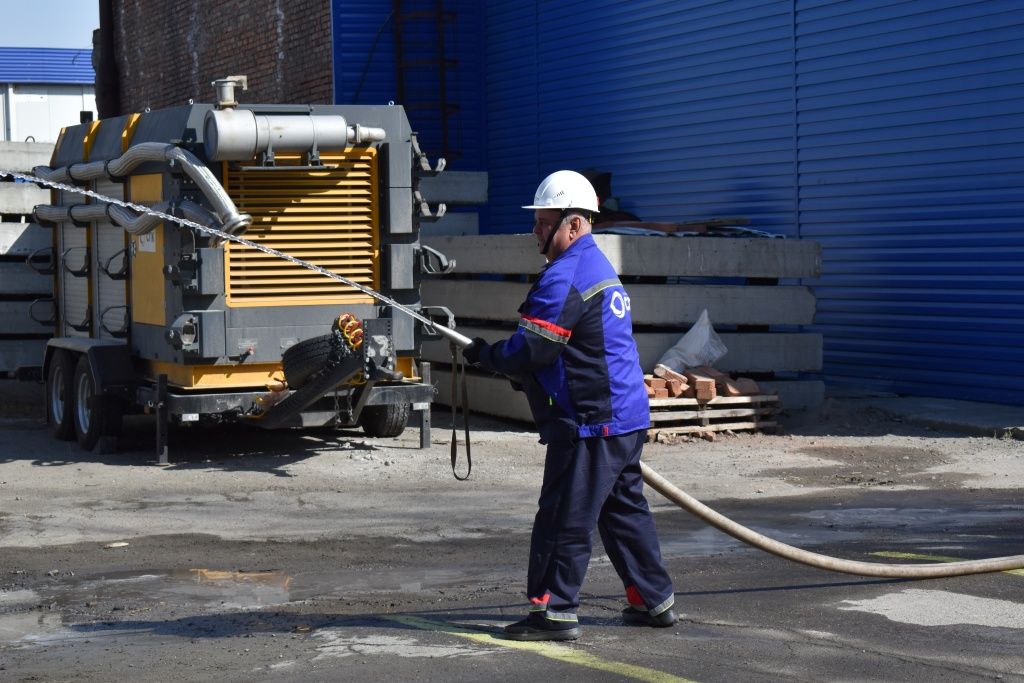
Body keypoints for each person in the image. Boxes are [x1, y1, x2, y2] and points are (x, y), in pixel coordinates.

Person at [462, 170, 677, 641]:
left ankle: (553, 612)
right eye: (537, 222)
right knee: (622, 513)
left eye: (544, 223)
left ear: (574, 224)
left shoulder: (567, 276)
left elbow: (534, 349)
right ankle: (653, 600)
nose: (536, 232)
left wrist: (487, 355)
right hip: (623, 417)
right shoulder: (596, 267)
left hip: (591, 422)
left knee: (564, 515)